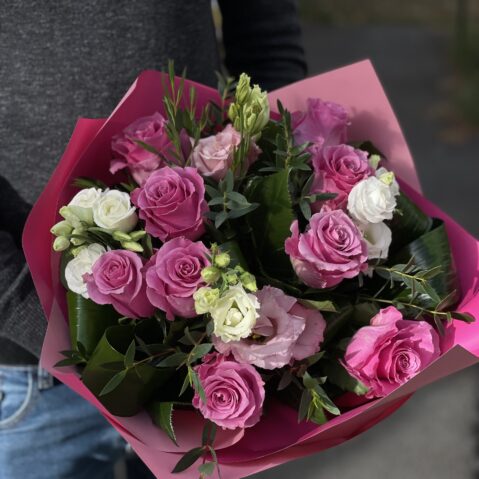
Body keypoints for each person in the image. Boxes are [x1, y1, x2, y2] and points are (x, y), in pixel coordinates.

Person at [0, 1, 306, 478]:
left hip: (207, 351)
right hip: (34, 376)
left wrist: (279, 182)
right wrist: (49, 330)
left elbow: (267, 31)